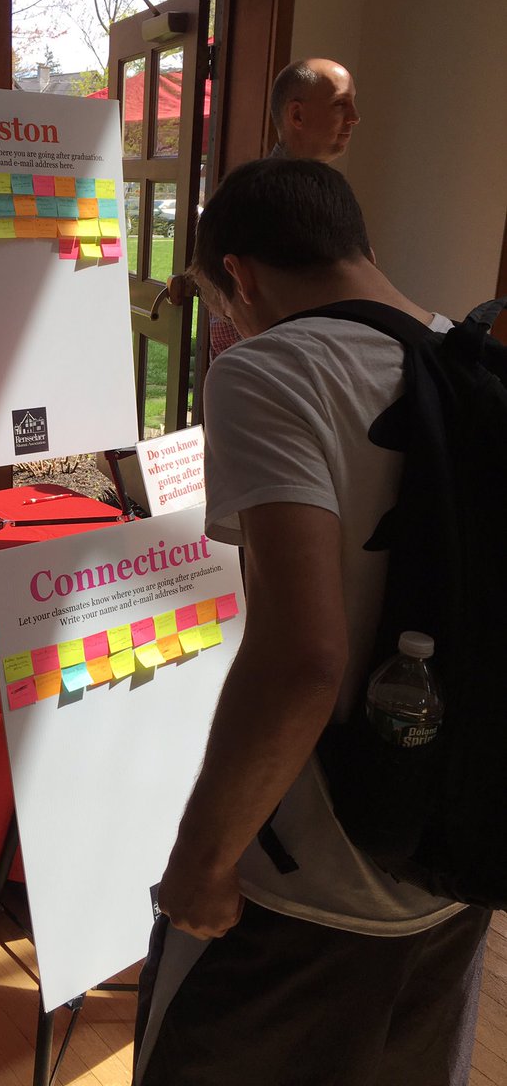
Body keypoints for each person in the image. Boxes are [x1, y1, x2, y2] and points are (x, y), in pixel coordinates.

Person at [134, 158, 490, 1086]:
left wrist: (202, 862)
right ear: (360, 247)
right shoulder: (476, 358)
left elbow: (302, 658)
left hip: (308, 882)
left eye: (222, 301)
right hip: (457, 854)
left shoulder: (272, 369)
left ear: (240, 277)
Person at [170, 57, 360, 357]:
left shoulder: (323, 196)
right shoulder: (252, 201)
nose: (354, 117)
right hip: (267, 374)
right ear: (296, 115)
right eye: (340, 104)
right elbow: (221, 303)